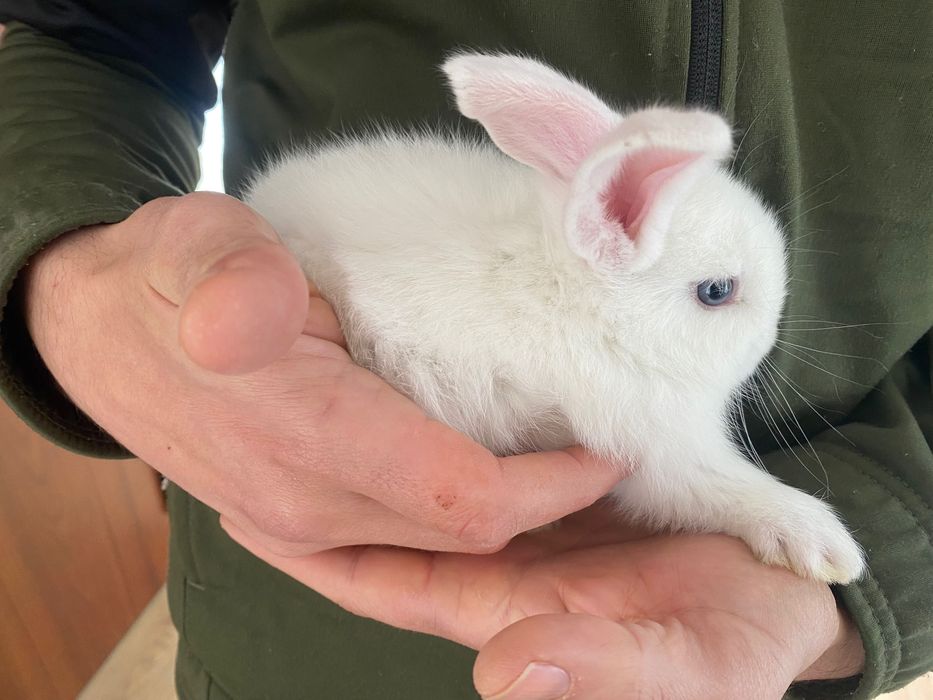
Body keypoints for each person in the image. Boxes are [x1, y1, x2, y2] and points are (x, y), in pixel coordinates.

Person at [0, 2, 930, 698]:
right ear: (610, 229)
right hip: (295, 623)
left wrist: (888, 564)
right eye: (719, 297)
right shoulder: (601, 336)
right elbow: (678, 469)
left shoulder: (579, 262)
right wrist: (70, 285)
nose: (763, 331)